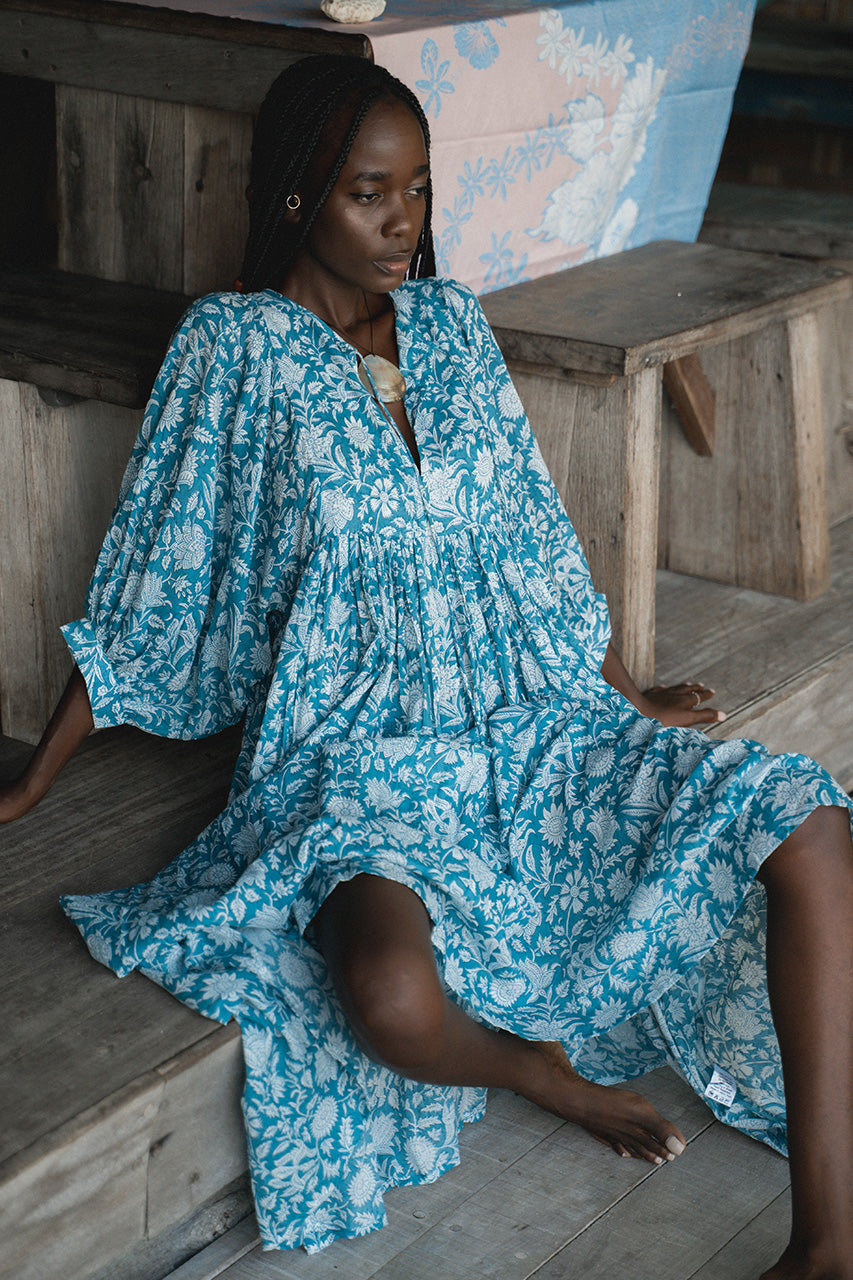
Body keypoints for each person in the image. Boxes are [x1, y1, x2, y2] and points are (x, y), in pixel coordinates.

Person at [2, 55, 852, 1278]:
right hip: (360, 755)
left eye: (418, 188)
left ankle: (824, 1240)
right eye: (368, 191)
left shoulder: (450, 325)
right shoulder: (233, 350)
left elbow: (526, 528)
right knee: (388, 994)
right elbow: (160, 576)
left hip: (531, 718)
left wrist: (617, 687)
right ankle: (535, 1072)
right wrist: (40, 774)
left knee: (806, 819)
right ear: (299, 195)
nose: (405, 220)